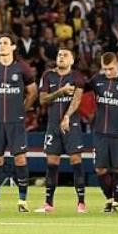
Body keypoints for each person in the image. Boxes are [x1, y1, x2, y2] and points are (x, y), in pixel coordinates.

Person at [0, 35, 37, 213]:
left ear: (13, 47)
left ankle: (22, 202)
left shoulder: (22, 68)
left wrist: (21, 109)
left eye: (5, 43)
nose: (2, 46)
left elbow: (32, 93)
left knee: (20, 158)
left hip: (16, 121)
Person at [82, 52, 118, 213]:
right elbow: (80, 89)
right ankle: (109, 198)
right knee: (100, 169)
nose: (107, 72)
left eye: (111, 69)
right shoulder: (96, 81)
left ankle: (116, 204)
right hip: (99, 132)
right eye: (105, 69)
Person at [37, 48, 86, 213]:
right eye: (59, 54)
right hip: (52, 126)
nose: (61, 57)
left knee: (76, 161)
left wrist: (67, 117)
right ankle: (48, 203)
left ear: (72, 60)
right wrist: (61, 91)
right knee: (52, 163)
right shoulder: (48, 76)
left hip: (71, 125)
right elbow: (43, 99)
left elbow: (77, 99)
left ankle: (81, 203)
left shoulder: (77, 77)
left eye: (65, 55)